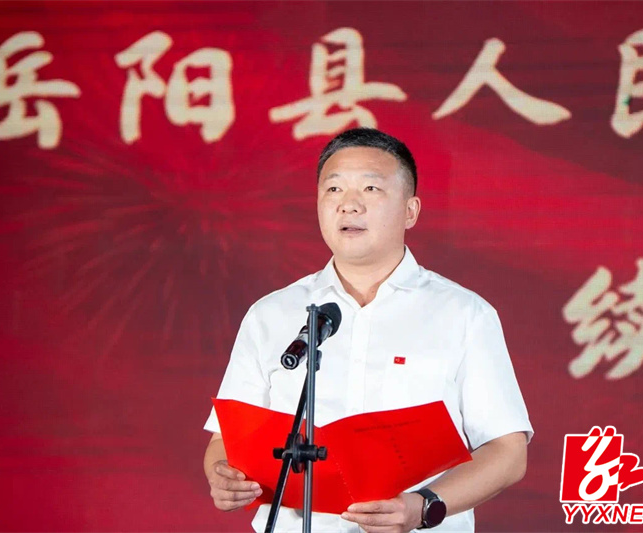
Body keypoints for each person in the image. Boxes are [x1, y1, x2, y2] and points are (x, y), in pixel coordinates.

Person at [203, 128, 533, 532]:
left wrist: (422, 507)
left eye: (371, 188)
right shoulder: (270, 314)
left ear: (410, 211)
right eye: (334, 189)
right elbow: (224, 440)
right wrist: (223, 477)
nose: (349, 204)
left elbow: (508, 451)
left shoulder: (463, 314)